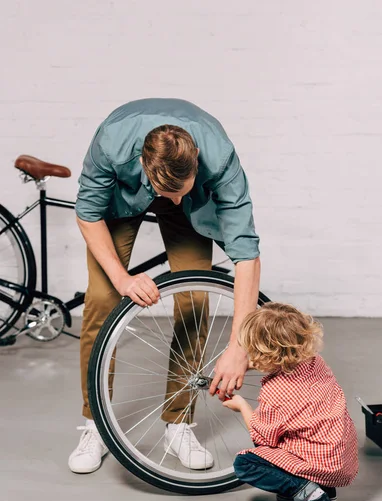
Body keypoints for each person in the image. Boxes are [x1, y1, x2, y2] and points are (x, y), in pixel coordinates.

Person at [68, 98, 261, 474]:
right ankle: (96, 424)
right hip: (122, 199)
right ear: (143, 164)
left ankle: (179, 422)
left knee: (194, 301)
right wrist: (123, 279)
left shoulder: (219, 158)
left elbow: (246, 254)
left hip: (193, 204)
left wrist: (239, 344)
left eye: (181, 189)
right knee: (102, 301)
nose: (171, 200)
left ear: (198, 159)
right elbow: (88, 213)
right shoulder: (112, 143)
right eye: (166, 191)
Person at [222, 302, 358, 501]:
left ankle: (311, 497)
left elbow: (261, 438)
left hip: (318, 464)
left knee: (245, 463)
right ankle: (324, 489)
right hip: (341, 461)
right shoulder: (315, 362)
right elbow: (283, 361)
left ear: (262, 353)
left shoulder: (276, 393)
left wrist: (242, 406)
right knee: (305, 434)